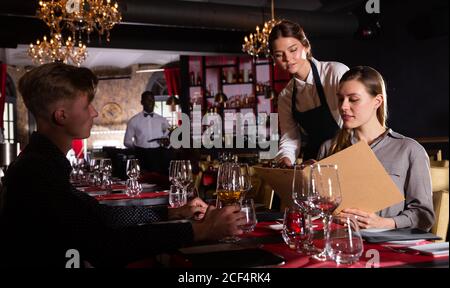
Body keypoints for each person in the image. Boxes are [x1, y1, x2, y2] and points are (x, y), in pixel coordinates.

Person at [0, 63, 245, 267]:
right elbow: (106, 245)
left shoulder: (40, 162)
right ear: (61, 115)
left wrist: (172, 212)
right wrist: (199, 231)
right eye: (87, 105)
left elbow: (101, 216)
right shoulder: (37, 172)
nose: (94, 113)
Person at [317, 66, 434, 231]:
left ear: (377, 101)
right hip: (338, 243)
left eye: (353, 99)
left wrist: (384, 223)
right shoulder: (328, 148)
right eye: (340, 99)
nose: (343, 106)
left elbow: (425, 217)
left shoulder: (409, 150)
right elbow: (316, 210)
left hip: (389, 246)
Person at [269, 20, 349, 166]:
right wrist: (285, 160)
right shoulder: (285, 97)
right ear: (274, 59)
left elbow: (357, 122)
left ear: (306, 46)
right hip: (313, 161)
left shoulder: (335, 72)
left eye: (293, 50)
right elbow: (290, 137)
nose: (288, 59)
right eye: (279, 55)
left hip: (347, 153)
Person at [124, 91, 170, 174]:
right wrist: (137, 148)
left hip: (159, 155)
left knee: (159, 182)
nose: (150, 102)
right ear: (142, 102)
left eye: (152, 100)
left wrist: (167, 142)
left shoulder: (162, 120)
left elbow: (168, 137)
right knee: (142, 181)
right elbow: (127, 141)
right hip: (141, 155)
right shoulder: (133, 121)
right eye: (148, 100)